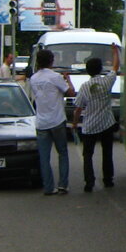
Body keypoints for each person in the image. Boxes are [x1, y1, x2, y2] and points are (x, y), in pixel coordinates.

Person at [29, 48, 74, 195]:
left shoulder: (34, 78)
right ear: (51, 61)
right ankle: (63, 185)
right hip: (57, 119)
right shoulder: (55, 77)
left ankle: (48, 187)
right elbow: (70, 93)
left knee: (44, 157)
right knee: (62, 153)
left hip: (41, 122)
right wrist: (67, 79)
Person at [74, 49, 120, 192]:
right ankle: (108, 179)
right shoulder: (107, 81)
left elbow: (78, 108)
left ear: (88, 71)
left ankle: (89, 182)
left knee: (87, 154)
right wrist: (115, 52)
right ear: (100, 69)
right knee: (107, 152)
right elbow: (115, 67)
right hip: (107, 123)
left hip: (90, 125)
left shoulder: (84, 87)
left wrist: (75, 123)